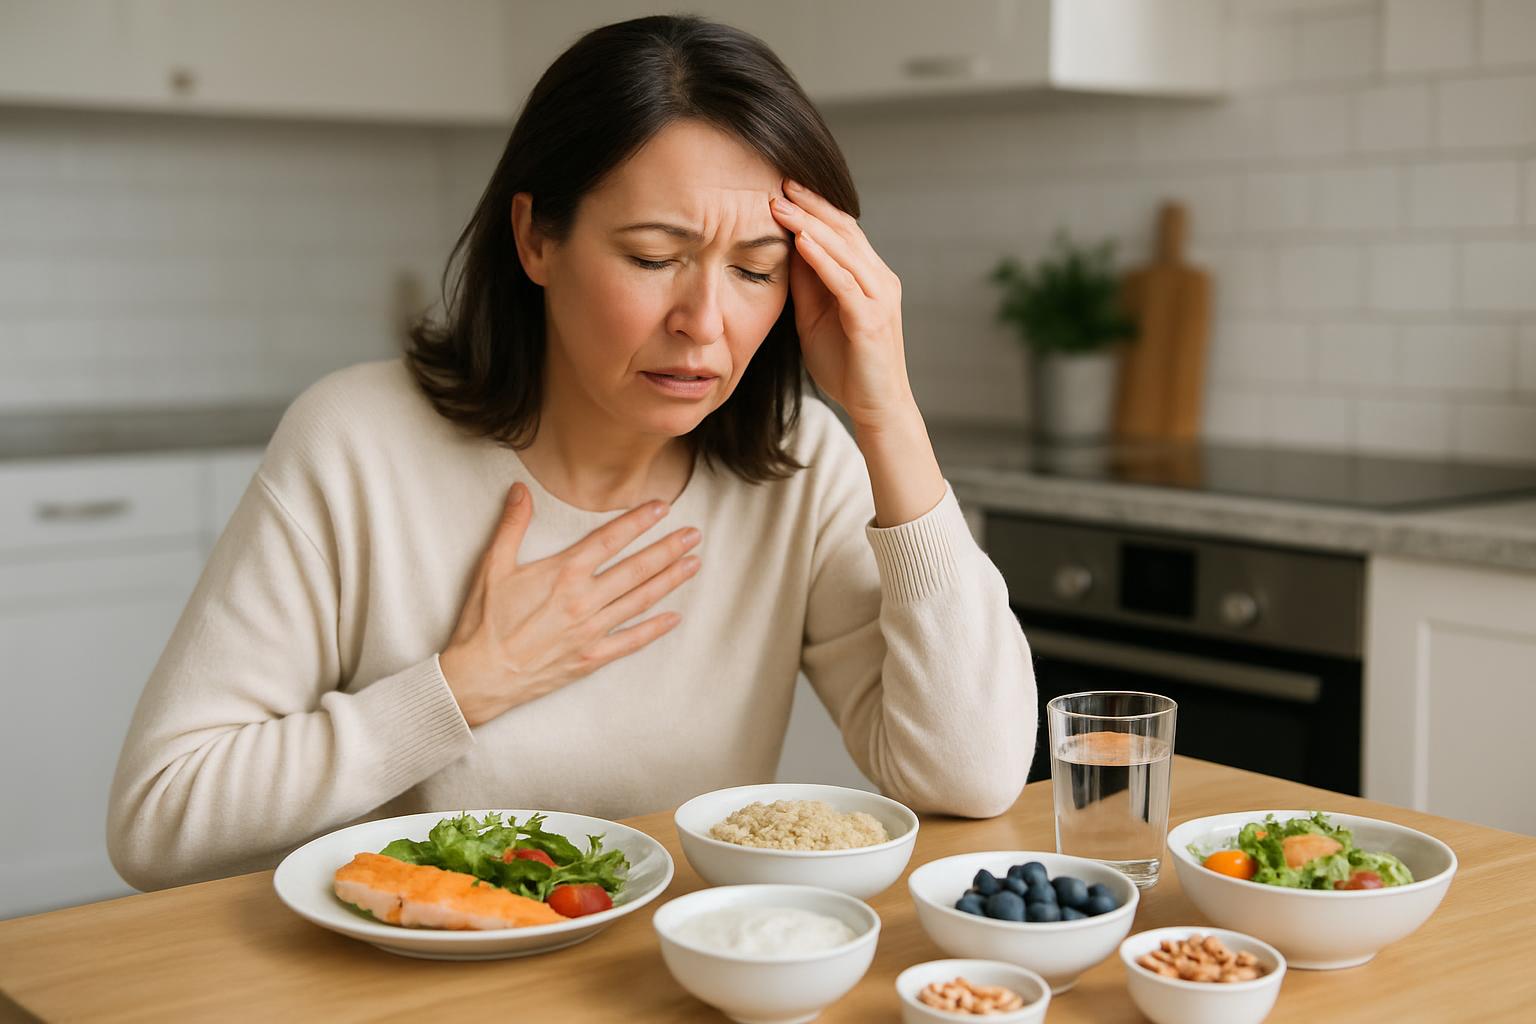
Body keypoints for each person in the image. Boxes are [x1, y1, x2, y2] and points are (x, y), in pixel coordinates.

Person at [107, 14, 1035, 891]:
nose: (704, 325)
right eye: (651, 256)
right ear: (535, 237)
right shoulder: (355, 442)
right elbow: (157, 822)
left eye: (756, 271)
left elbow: (972, 775)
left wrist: (888, 417)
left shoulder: (798, 466)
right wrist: (461, 689)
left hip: (672, 978)